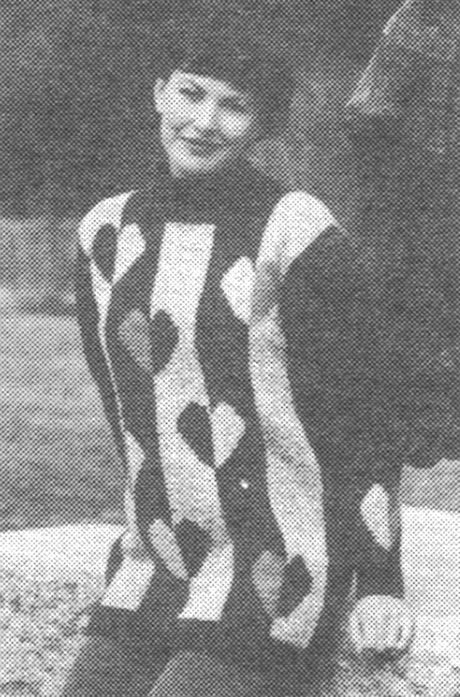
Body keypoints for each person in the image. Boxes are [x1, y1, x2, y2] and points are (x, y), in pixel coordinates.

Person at [63, 27, 420, 697]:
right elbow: (128, 410)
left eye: (234, 106)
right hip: (155, 562)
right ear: (159, 93)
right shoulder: (104, 232)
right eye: (191, 93)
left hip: (281, 565)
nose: (205, 122)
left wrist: (379, 580)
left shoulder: (295, 230)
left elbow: (363, 414)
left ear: (261, 125)